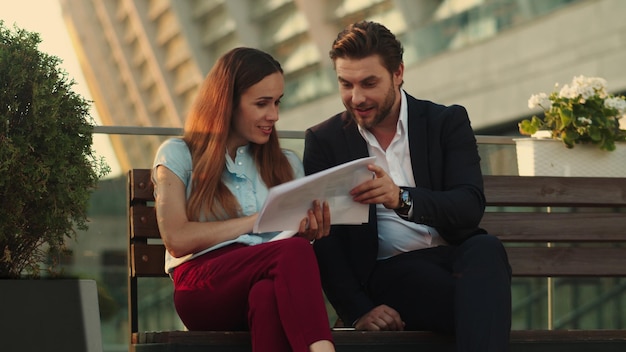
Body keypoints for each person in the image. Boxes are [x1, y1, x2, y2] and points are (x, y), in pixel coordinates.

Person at [303, 21, 512, 352]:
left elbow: (469, 206)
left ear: (398, 73)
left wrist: (400, 198)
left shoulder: (445, 122)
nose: (356, 97)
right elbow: (327, 241)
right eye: (346, 84)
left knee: (487, 250)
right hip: (391, 271)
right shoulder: (325, 141)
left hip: (455, 257)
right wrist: (358, 311)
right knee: (482, 302)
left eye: (369, 83)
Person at [152, 47, 335, 352]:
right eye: (262, 104)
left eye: (277, 103)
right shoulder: (177, 154)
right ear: (228, 103)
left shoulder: (286, 163)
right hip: (201, 286)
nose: (273, 116)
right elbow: (176, 239)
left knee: (267, 294)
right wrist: (256, 222)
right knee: (292, 251)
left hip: (266, 276)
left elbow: (290, 242)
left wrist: (310, 230)